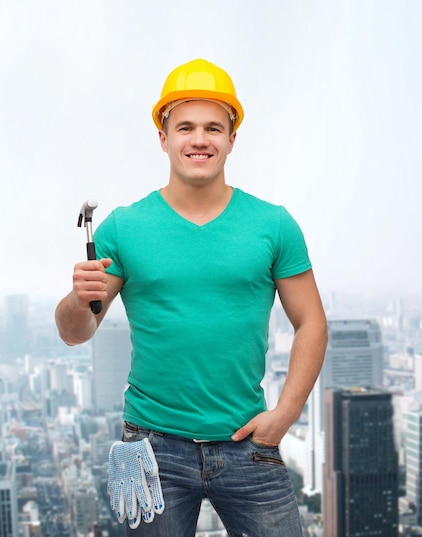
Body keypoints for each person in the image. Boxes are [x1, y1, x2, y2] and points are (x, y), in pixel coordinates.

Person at [55, 58, 328, 537]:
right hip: (153, 448)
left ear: (231, 138)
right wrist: (79, 300)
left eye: (212, 128)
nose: (199, 139)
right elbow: (76, 333)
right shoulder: (124, 226)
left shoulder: (274, 224)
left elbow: (312, 323)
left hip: (249, 443)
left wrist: (284, 415)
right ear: (163, 137)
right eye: (185, 127)